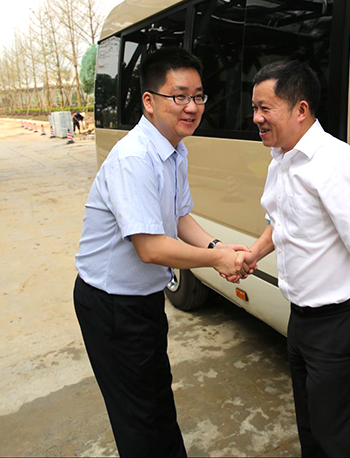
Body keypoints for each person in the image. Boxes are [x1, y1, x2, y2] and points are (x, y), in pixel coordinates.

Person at [226, 60, 350, 457]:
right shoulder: (282, 157)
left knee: (336, 438)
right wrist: (254, 253)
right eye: (254, 107)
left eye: (264, 108)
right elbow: (282, 222)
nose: (255, 117)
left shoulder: (336, 165)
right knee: (311, 429)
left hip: (340, 323)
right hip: (302, 319)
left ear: (301, 109)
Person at [73, 47, 249, 457]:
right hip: (112, 305)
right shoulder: (134, 157)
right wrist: (217, 260)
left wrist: (217, 246)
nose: (192, 107)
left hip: (143, 298)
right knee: (139, 418)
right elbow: (151, 247)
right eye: (179, 96)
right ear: (149, 102)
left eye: (198, 96)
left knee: (156, 401)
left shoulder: (174, 149)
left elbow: (180, 216)